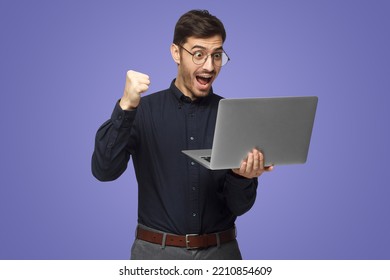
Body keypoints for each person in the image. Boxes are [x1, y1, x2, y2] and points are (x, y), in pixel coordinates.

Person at [92, 9, 273, 260]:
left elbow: (239, 207)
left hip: (222, 254)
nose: (209, 66)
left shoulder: (235, 118)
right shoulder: (142, 111)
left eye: (217, 55)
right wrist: (125, 105)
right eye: (199, 54)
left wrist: (242, 177)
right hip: (154, 255)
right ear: (176, 53)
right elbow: (104, 170)